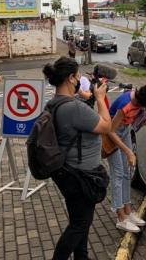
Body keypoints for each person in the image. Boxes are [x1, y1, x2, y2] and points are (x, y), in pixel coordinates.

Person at [42, 57, 111, 260]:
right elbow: (106, 126)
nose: (80, 78)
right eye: (78, 75)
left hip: (66, 171)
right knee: (80, 223)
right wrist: (99, 98)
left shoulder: (54, 103)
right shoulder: (74, 108)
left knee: (79, 220)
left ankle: (82, 256)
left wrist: (85, 96)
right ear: (71, 78)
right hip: (81, 175)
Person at [107, 82, 146, 233]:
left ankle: (128, 210)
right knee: (118, 174)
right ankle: (121, 218)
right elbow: (111, 131)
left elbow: (139, 116)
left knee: (127, 173)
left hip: (124, 131)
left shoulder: (139, 102)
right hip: (112, 135)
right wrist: (129, 152)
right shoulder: (126, 103)